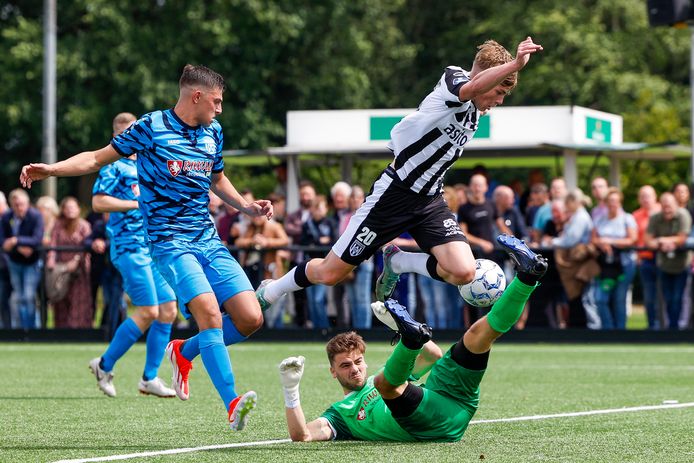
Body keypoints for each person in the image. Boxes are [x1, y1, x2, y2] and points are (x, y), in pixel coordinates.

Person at [20, 64, 272, 430]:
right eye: (216, 102)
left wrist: (245, 207)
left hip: (207, 238)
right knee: (209, 315)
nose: (219, 110)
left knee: (251, 318)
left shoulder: (213, 131)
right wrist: (53, 170)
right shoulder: (150, 127)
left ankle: (183, 351)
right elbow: (96, 158)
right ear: (196, 96)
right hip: (169, 242)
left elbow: (218, 178)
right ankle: (232, 402)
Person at [256, 38, 544, 311]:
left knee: (464, 271)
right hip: (393, 195)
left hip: (430, 201)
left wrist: (506, 74)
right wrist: (515, 64)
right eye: (500, 92)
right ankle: (273, 289)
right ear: (487, 78)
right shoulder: (453, 80)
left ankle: (400, 262)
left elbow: (476, 94)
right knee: (331, 273)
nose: (500, 101)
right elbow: (470, 89)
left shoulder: (477, 111)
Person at [277, 236, 547, 443]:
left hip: (447, 398)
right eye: (345, 365)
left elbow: (432, 355)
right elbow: (303, 436)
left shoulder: (379, 376)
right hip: (435, 425)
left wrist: (392, 323)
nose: (355, 368)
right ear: (333, 372)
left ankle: (527, 275)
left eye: (358, 361)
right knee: (387, 385)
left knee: (478, 335)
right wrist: (291, 389)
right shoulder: (339, 414)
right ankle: (409, 336)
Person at [86, 112, 178, 398]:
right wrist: (134, 204)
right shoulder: (113, 166)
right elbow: (98, 203)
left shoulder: (148, 164)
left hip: (153, 247)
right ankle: (104, 364)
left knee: (168, 311)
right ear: (117, 137)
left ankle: (149, 378)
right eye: (127, 134)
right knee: (149, 311)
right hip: (129, 247)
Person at [591, 188, 637, 330]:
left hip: (624, 265)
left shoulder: (627, 218)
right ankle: (608, 329)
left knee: (619, 299)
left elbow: (632, 239)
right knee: (600, 299)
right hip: (605, 266)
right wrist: (602, 243)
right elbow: (593, 238)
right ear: (605, 203)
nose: (613, 204)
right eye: (610, 202)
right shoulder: (600, 219)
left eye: (616, 202)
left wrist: (611, 241)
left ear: (620, 202)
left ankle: (620, 330)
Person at [645, 192, 691, 330]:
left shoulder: (683, 215)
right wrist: (661, 243)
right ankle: (668, 328)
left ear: (675, 205)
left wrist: (663, 240)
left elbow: (682, 238)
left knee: (678, 298)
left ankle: (675, 327)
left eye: (669, 206)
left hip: (682, 265)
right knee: (667, 298)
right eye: (664, 206)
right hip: (663, 265)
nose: (667, 209)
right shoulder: (655, 218)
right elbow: (648, 240)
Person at [0, 189, 43, 329]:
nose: (19, 207)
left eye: (21, 204)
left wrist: (16, 240)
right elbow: (3, 241)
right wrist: (18, 245)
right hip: (14, 262)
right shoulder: (7, 217)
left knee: (28, 297)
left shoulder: (35, 216)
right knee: (18, 297)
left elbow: (36, 239)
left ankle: (31, 330)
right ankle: (20, 330)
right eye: (16, 204)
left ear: (27, 203)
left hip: (32, 263)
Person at [47, 197, 93, 328]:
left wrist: (77, 260)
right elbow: (53, 244)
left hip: (79, 269)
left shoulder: (84, 225)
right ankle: (62, 332)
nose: (70, 210)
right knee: (61, 302)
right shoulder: (58, 225)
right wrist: (51, 260)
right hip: (61, 270)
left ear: (78, 209)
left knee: (79, 302)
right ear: (63, 210)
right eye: (67, 207)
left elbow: (87, 245)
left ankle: (79, 331)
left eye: (73, 207)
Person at [343, 185, 375, 329]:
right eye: (353, 197)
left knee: (362, 299)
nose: (355, 200)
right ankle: (356, 330)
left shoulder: (370, 215)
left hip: (364, 262)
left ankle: (364, 331)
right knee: (352, 299)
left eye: (358, 196)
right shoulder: (345, 218)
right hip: (347, 262)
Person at [632, 185, 661, 330]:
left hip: (663, 259)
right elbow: (634, 238)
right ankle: (652, 325)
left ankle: (666, 325)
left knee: (665, 296)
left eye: (648, 196)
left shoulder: (663, 211)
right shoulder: (636, 215)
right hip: (645, 259)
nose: (646, 199)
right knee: (649, 296)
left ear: (655, 197)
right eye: (642, 196)